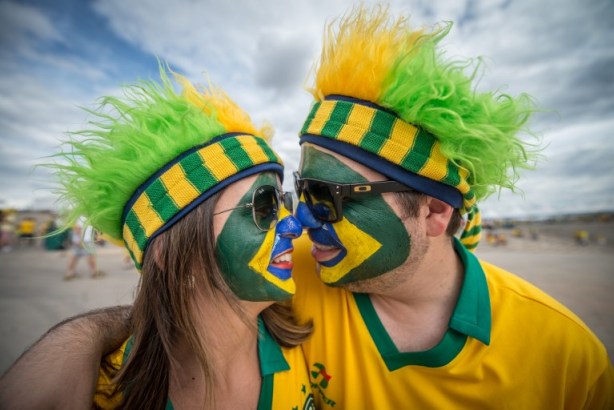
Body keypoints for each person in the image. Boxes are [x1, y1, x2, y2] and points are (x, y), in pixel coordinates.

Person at [2, 6, 613, 409]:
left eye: (328, 197)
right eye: (300, 192)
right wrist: (74, 342)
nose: (301, 219)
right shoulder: (293, 276)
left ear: (434, 214)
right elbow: (187, 297)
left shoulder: (564, 353)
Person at [0, 68, 314, 409]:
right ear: (168, 253)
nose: (293, 226)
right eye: (264, 206)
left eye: (284, 202)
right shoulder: (105, 392)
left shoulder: (312, 340)